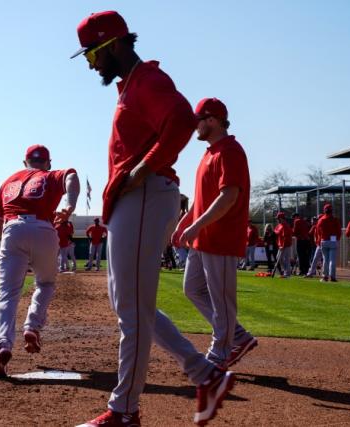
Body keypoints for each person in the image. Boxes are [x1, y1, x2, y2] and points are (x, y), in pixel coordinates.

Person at [71, 12, 234, 426]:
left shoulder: (147, 80)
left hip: (146, 196)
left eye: (92, 52)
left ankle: (123, 411)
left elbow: (180, 120)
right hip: (135, 201)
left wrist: (141, 171)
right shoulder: (130, 87)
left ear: (112, 44)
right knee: (129, 304)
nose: (91, 63)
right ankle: (205, 373)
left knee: (132, 311)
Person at [174, 97, 258, 370]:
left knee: (221, 298)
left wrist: (197, 225)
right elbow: (202, 199)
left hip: (221, 236)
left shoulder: (230, 150)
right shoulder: (210, 152)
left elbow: (229, 195)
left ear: (212, 120)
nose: (195, 126)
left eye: (198, 120)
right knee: (193, 289)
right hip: (203, 237)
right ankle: (238, 336)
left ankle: (221, 352)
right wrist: (185, 221)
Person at [0, 144, 79, 378]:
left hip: (12, 229)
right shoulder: (50, 175)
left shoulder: (9, 180)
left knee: (7, 293)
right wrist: (69, 204)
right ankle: (32, 325)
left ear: (24, 162)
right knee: (46, 283)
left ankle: (3, 344)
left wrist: (6, 245)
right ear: (47, 162)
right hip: (43, 228)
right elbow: (72, 175)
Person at [316, 204, 341, 282]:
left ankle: (325, 276)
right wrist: (337, 239)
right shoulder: (335, 219)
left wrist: (318, 240)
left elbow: (318, 231)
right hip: (333, 241)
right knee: (332, 260)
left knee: (326, 260)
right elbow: (339, 231)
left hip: (324, 240)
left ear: (324, 210)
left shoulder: (321, 219)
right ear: (331, 210)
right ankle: (332, 277)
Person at [274, 212, 293, 277]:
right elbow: (275, 230)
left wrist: (283, 245)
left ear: (281, 218)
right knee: (278, 258)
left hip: (286, 244)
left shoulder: (285, 226)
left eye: (278, 218)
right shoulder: (279, 225)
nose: (277, 220)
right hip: (280, 245)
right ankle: (286, 271)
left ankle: (287, 273)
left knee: (286, 259)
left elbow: (286, 237)